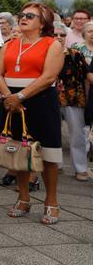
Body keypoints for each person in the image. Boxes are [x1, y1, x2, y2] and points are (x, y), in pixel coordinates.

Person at [0, 2, 64, 225]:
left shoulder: (51, 44)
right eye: (22, 14)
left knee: (48, 154)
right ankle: (23, 198)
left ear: (43, 23)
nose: (23, 18)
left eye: (30, 16)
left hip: (41, 101)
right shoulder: (10, 44)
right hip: (12, 102)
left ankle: (51, 201)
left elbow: (48, 77)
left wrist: (21, 96)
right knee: (19, 150)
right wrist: (8, 97)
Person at [54, 23, 92, 181]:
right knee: (52, 133)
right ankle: (55, 165)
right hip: (50, 98)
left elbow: (86, 78)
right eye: (55, 34)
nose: (59, 38)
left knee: (77, 135)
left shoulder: (75, 54)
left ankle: (81, 168)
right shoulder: (43, 54)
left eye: (62, 35)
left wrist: (88, 100)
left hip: (74, 98)